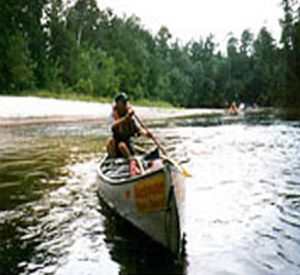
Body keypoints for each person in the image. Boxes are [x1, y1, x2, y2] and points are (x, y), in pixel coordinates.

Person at [106, 92, 152, 160]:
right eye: (123, 102)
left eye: (125, 102)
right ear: (118, 103)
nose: (125, 104)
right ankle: (113, 161)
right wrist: (126, 118)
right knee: (110, 142)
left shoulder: (130, 116)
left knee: (122, 146)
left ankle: (131, 160)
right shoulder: (112, 116)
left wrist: (146, 133)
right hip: (116, 143)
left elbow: (138, 130)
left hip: (126, 144)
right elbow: (113, 126)